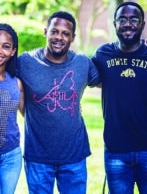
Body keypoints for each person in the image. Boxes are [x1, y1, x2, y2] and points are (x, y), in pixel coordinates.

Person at [92, 1, 147, 194]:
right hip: (116, 151)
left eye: (134, 19)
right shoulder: (103, 54)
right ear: (115, 23)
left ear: (143, 24)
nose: (128, 24)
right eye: (122, 19)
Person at [16, 11, 100, 194]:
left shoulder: (82, 63)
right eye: (54, 31)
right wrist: (32, 114)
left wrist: (142, 52)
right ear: (46, 31)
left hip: (74, 155)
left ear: (73, 38)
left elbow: (112, 81)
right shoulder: (25, 62)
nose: (59, 37)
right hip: (37, 156)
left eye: (65, 33)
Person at [0, 23, 24, 194]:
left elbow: (29, 113)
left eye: (5, 46)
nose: (0, 51)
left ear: (13, 51)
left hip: (11, 156)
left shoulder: (16, 82)